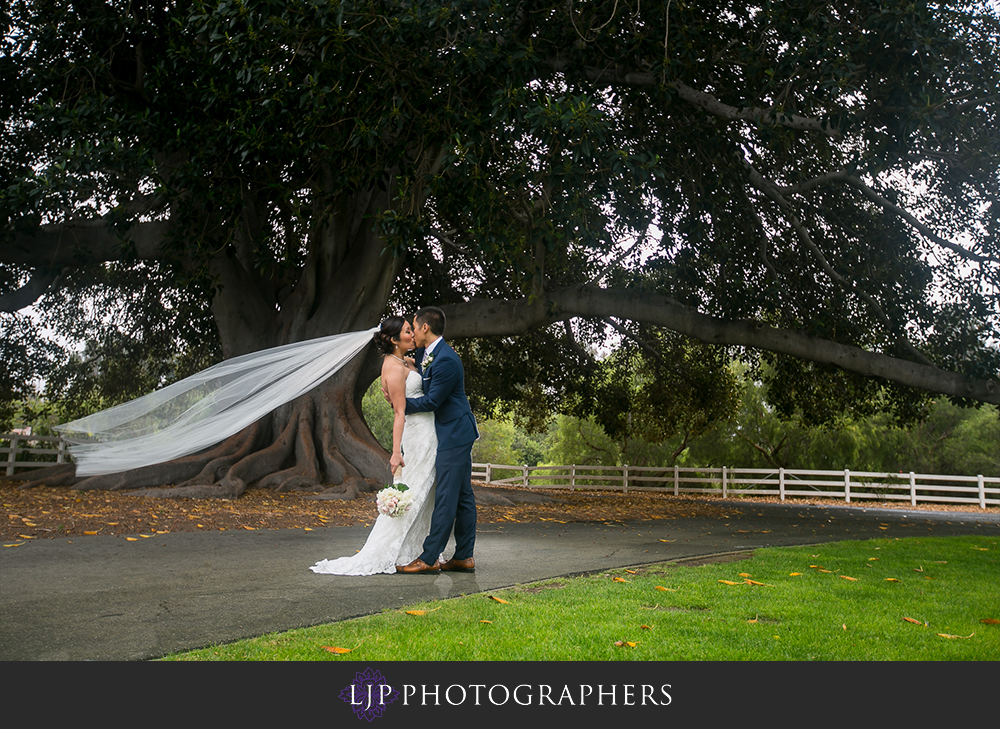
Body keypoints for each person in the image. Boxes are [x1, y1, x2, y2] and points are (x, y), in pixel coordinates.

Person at [309, 316, 438, 575]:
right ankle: (392, 551)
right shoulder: (392, 367)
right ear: (393, 339)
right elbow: (399, 413)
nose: (412, 334)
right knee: (413, 492)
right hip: (418, 434)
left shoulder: (407, 361)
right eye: (406, 331)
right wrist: (395, 452)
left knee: (428, 492)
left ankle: (422, 550)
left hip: (430, 430)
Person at [396, 306, 479, 574]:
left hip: (455, 434)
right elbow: (420, 366)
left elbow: (432, 401)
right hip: (452, 431)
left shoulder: (446, 360)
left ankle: (429, 557)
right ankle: (464, 556)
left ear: (424, 328)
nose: (412, 333)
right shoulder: (427, 353)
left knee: (446, 495)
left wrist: (400, 404)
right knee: (463, 495)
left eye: (413, 327)